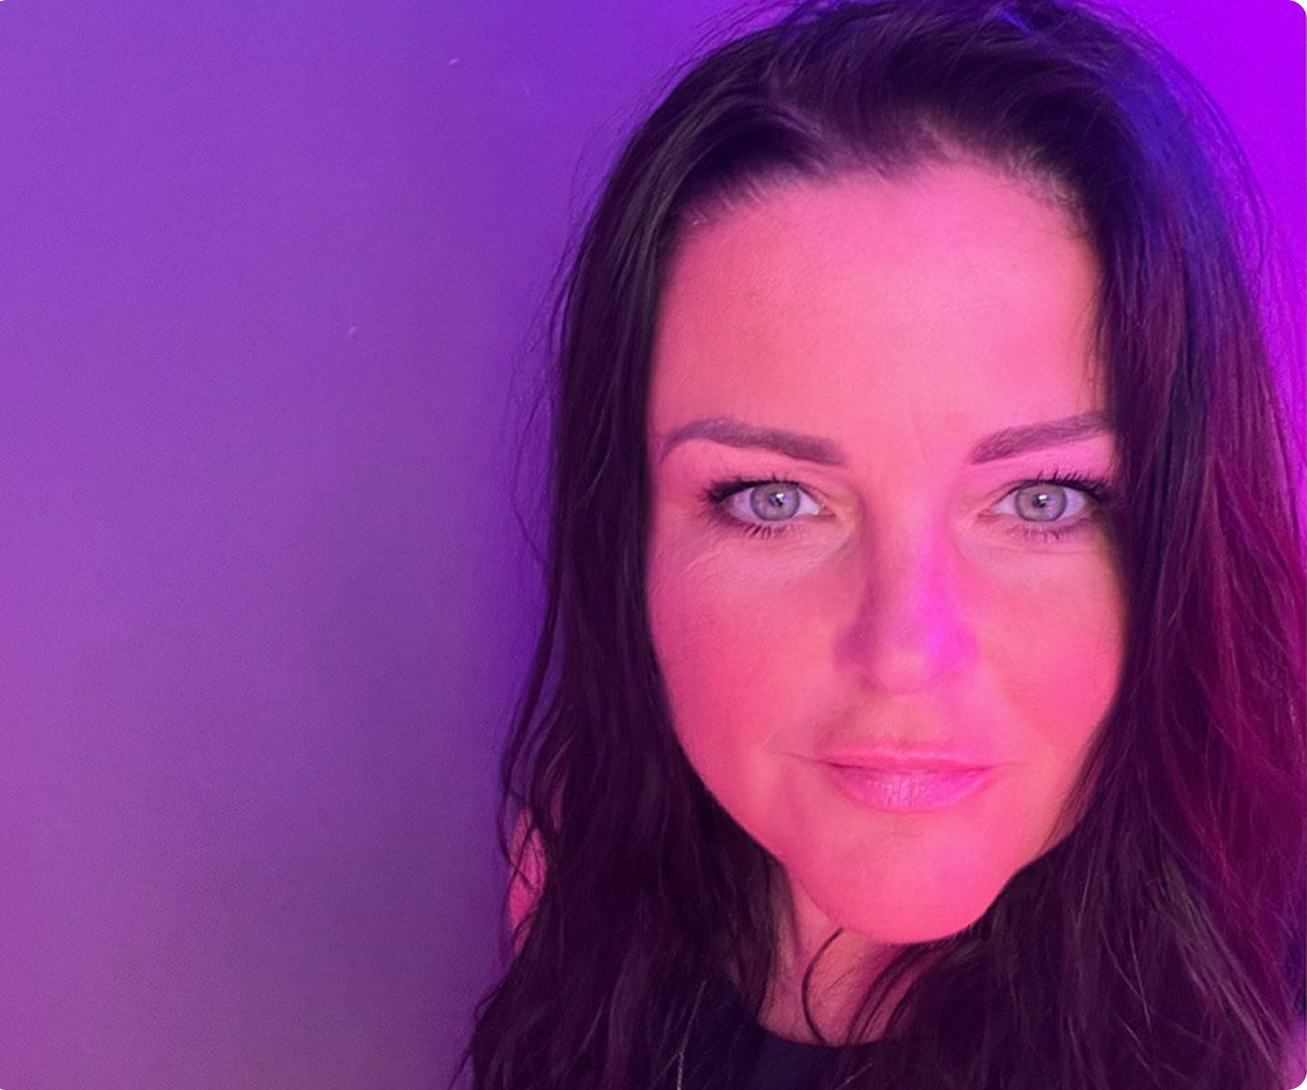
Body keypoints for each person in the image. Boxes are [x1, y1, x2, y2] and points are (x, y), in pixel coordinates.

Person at [456, 1, 1306, 1087]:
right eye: (774, 499)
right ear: (629, 536)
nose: (905, 650)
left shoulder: (1269, 1015)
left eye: (1043, 498)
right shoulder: (574, 869)